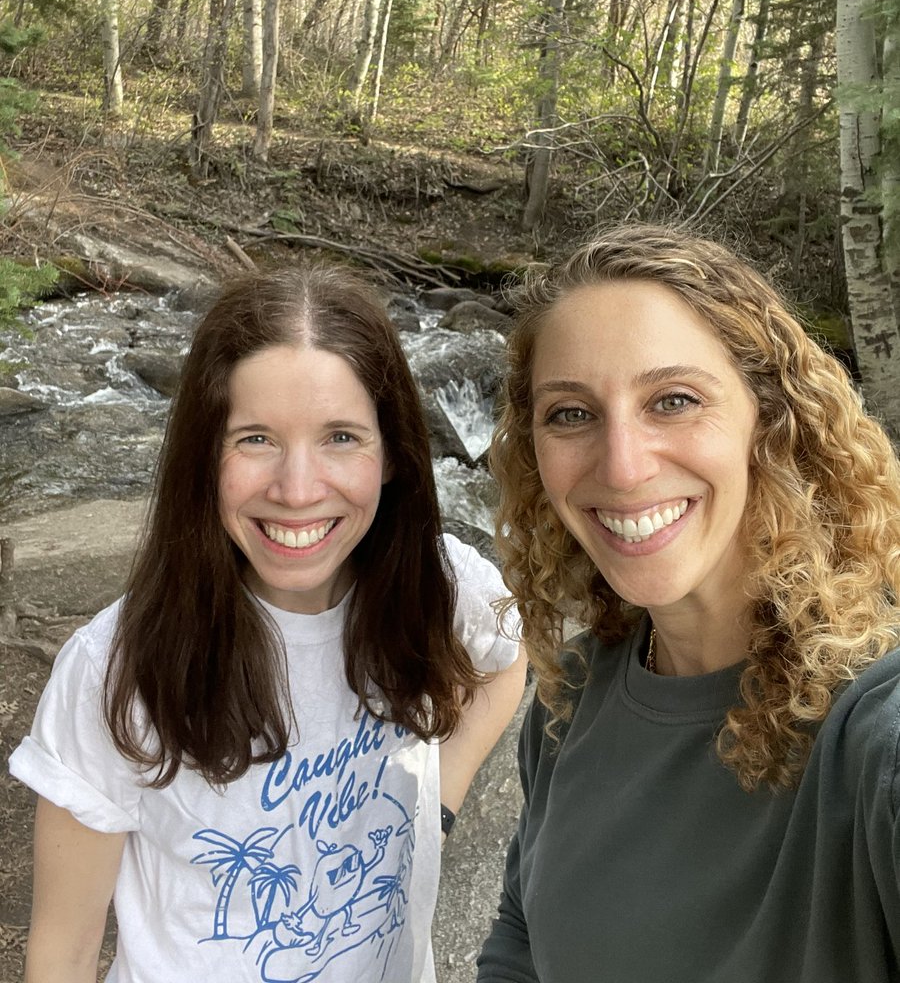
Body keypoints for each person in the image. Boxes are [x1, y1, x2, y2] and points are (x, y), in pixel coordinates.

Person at [10, 262, 525, 983]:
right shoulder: (115, 670)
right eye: (255, 438)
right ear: (203, 454)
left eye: (341, 437)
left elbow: (507, 662)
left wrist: (438, 804)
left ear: (392, 456)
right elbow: (61, 956)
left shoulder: (440, 588)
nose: (297, 489)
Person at [476, 223, 900, 983]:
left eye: (672, 400)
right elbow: (522, 938)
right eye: (570, 413)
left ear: (772, 418)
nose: (624, 466)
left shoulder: (873, 732)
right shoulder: (570, 697)